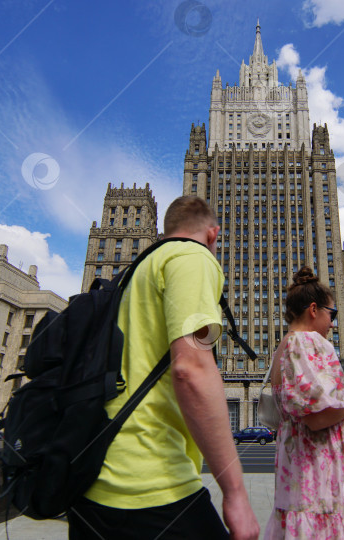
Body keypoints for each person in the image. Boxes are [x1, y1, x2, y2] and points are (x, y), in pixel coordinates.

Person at [68, 196, 260, 540]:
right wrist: (235, 493)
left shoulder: (138, 271)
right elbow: (191, 370)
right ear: (213, 235)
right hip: (149, 480)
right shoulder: (192, 256)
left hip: (93, 482)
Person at [264, 267, 344, 539]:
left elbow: (309, 401)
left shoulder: (283, 348)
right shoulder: (310, 341)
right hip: (327, 475)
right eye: (331, 314)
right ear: (314, 309)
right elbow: (317, 418)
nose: (332, 323)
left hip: (299, 473)